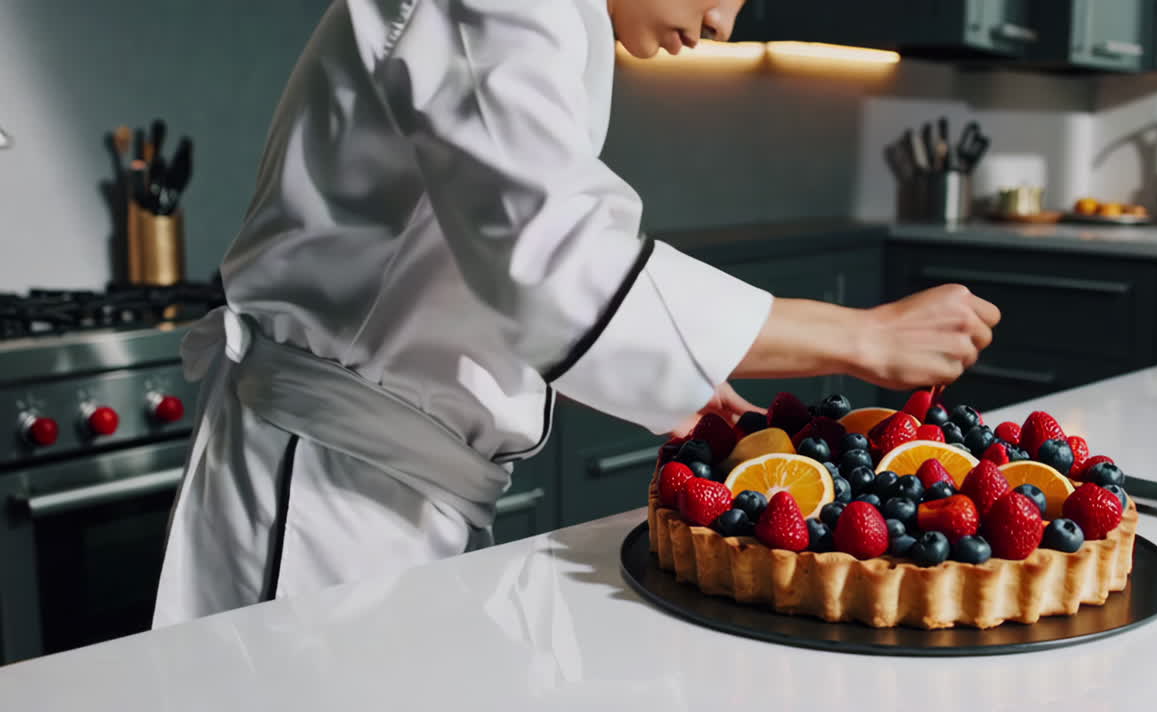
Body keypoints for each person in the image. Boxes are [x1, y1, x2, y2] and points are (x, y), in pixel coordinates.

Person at [152, 0, 1000, 627]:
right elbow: (552, 262)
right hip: (321, 492)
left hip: (380, 487)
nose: (721, 26)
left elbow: (480, 260)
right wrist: (862, 334)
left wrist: (686, 372)